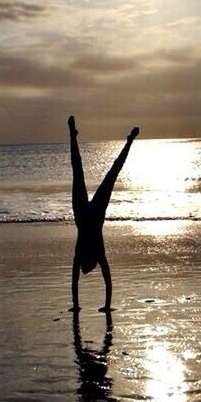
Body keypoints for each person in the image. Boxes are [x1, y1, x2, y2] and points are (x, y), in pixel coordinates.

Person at [69, 115, 139, 312]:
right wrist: (81, 304)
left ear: (91, 264)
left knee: (110, 173)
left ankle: (130, 140)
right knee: (90, 171)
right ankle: (73, 136)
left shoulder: (90, 253)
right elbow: (79, 280)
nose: (89, 269)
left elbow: (106, 281)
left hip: (86, 212)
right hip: (86, 212)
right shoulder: (91, 253)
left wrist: (102, 305)